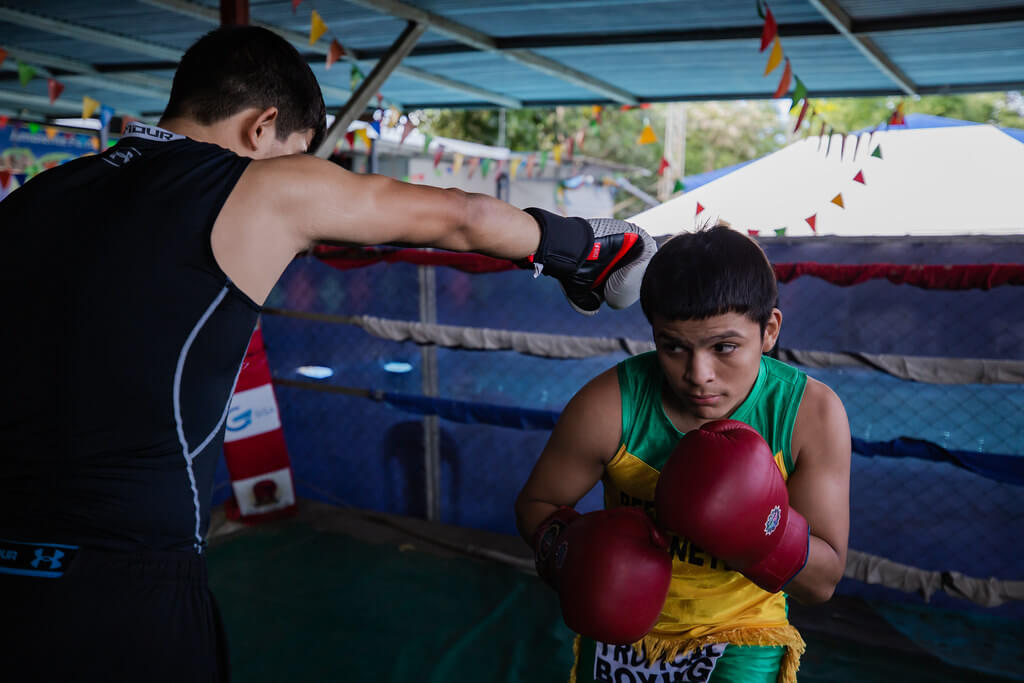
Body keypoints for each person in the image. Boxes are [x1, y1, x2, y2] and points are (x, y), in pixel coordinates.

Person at [0, 25, 655, 682]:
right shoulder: (253, 187)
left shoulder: (37, 197)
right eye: (295, 153)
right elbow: (465, 217)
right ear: (263, 127)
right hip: (128, 577)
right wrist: (587, 250)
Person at [515, 225, 851, 683]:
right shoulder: (610, 405)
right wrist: (572, 555)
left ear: (769, 330)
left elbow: (823, 582)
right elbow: (537, 505)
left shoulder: (809, 414)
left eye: (724, 347)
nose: (699, 375)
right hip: (622, 634)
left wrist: (761, 532)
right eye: (673, 347)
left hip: (744, 633)